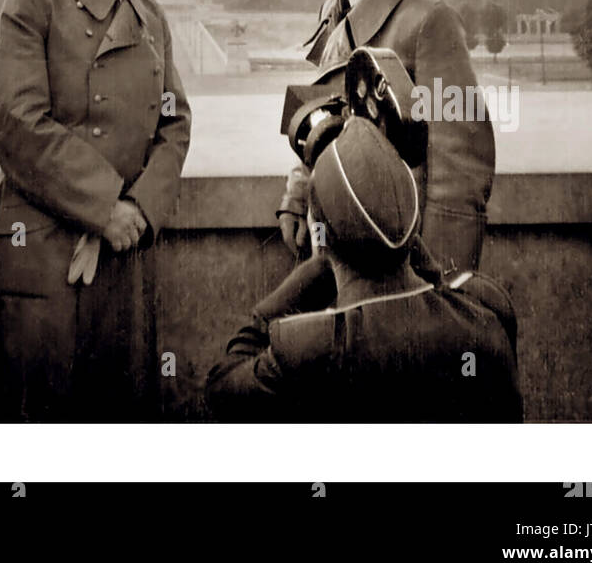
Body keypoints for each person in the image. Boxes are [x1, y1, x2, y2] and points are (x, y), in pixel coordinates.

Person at [0, 0, 192, 421]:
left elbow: (175, 120)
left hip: (124, 248)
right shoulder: (29, 7)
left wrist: (140, 210)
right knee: (42, 415)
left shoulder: (151, 14)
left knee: (115, 412)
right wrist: (105, 207)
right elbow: (17, 124)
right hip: (48, 247)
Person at [208, 113, 521, 421]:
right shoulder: (486, 316)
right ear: (412, 223)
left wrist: (310, 274)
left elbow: (222, 387)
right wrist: (405, 241)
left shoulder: (305, 350)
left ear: (321, 235)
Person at [277, 0, 494, 276]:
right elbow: (323, 120)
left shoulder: (429, 20)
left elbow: (459, 167)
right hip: (334, 248)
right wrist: (296, 195)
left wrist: (443, 279)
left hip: (397, 262)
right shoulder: (331, 12)